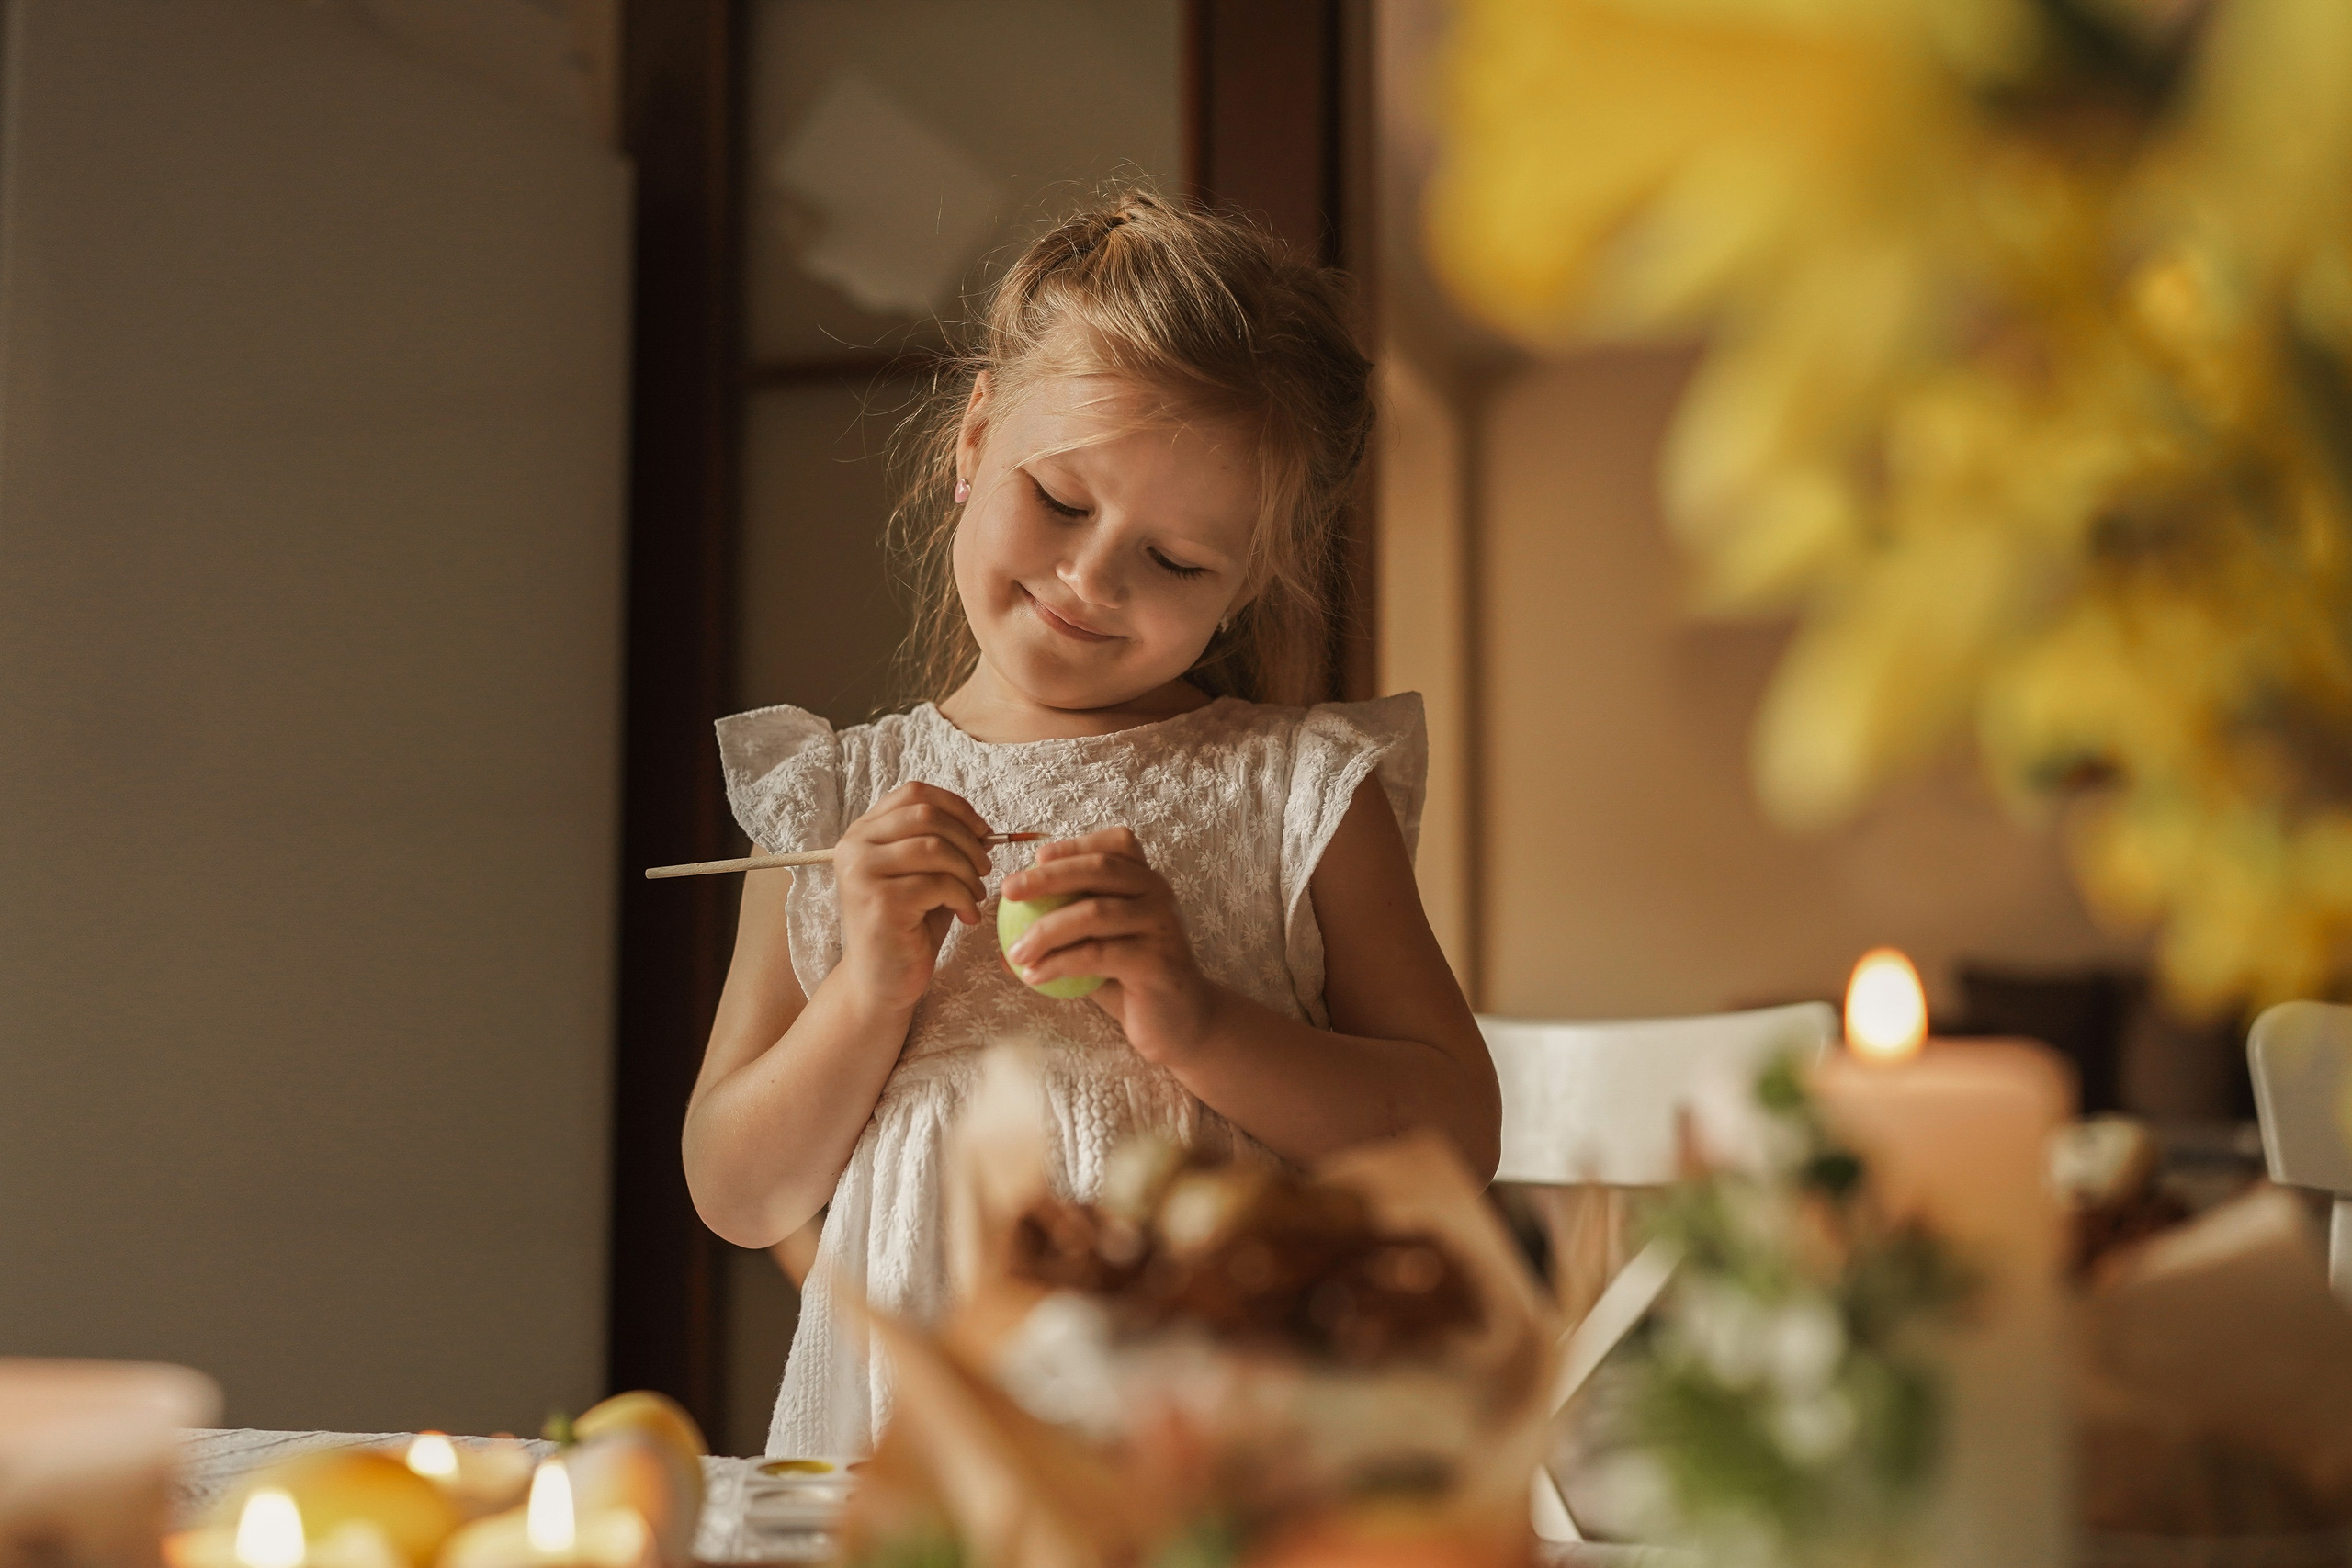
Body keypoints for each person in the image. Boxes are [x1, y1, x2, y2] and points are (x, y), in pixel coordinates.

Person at [683, 190, 1498, 1459]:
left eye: (1176, 563)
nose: (1092, 578)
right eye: (1062, 500)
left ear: (1250, 581)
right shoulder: (838, 804)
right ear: (971, 439)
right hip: (917, 1440)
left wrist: (1199, 1023)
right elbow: (738, 1193)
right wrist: (871, 987)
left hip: (1218, 1441)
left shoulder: (1296, 793)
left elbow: (1459, 1137)